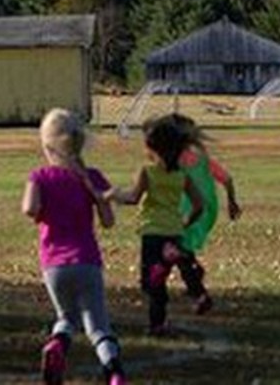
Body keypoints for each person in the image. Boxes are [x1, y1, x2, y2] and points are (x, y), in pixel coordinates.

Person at [22, 108, 127, 385]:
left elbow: (29, 208)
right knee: (98, 326)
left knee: (66, 316)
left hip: (53, 264)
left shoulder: (41, 176)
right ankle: (114, 371)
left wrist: (42, 210)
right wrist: (100, 198)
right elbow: (108, 222)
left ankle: (57, 345)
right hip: (87, 261)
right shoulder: (91, 177)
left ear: (47, 146)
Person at [108, 115, 205, 336]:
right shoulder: (182, 176)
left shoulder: (147, 172)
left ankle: (158, 322)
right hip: (174, 232)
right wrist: (185, 223)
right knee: (160, 275)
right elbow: (199, 206)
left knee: (150, 284)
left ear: (152, 149)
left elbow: (133, 198)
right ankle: (164, 319)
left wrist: (113, 195)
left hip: (152, 231)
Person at [171, 113, 242, 314]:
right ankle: (194, 274)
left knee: (178, 250)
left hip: (189, 211)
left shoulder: (176, 160)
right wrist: (231, 202)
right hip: (207, 211)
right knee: (182, 248)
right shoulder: (202, 158)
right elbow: (227, 179)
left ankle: (197, 289)